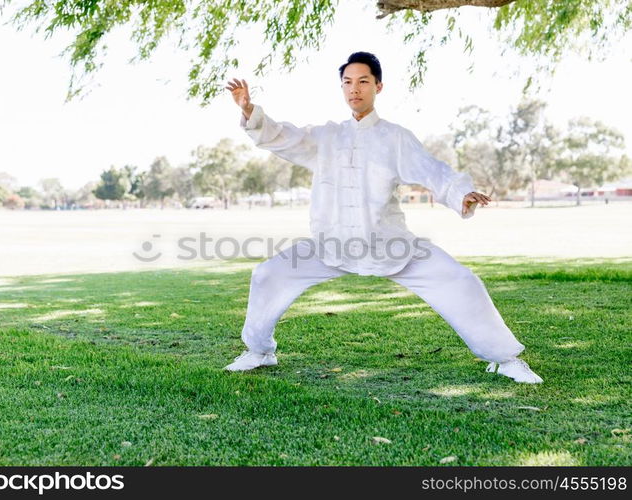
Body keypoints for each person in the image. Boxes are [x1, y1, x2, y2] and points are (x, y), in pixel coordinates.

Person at [223, 52, 542, 383]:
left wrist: (460, 193)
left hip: (390, 246)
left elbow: (432, 170)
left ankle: (505, 359)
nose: (354, 89)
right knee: (267, 276)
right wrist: (249, 111)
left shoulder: (395, 137)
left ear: (378, 86)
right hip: (331, 245)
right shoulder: (325, 137)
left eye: (363, 81)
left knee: (461, 282)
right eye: (347, 82)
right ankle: (259, 352)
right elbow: (283, 138)